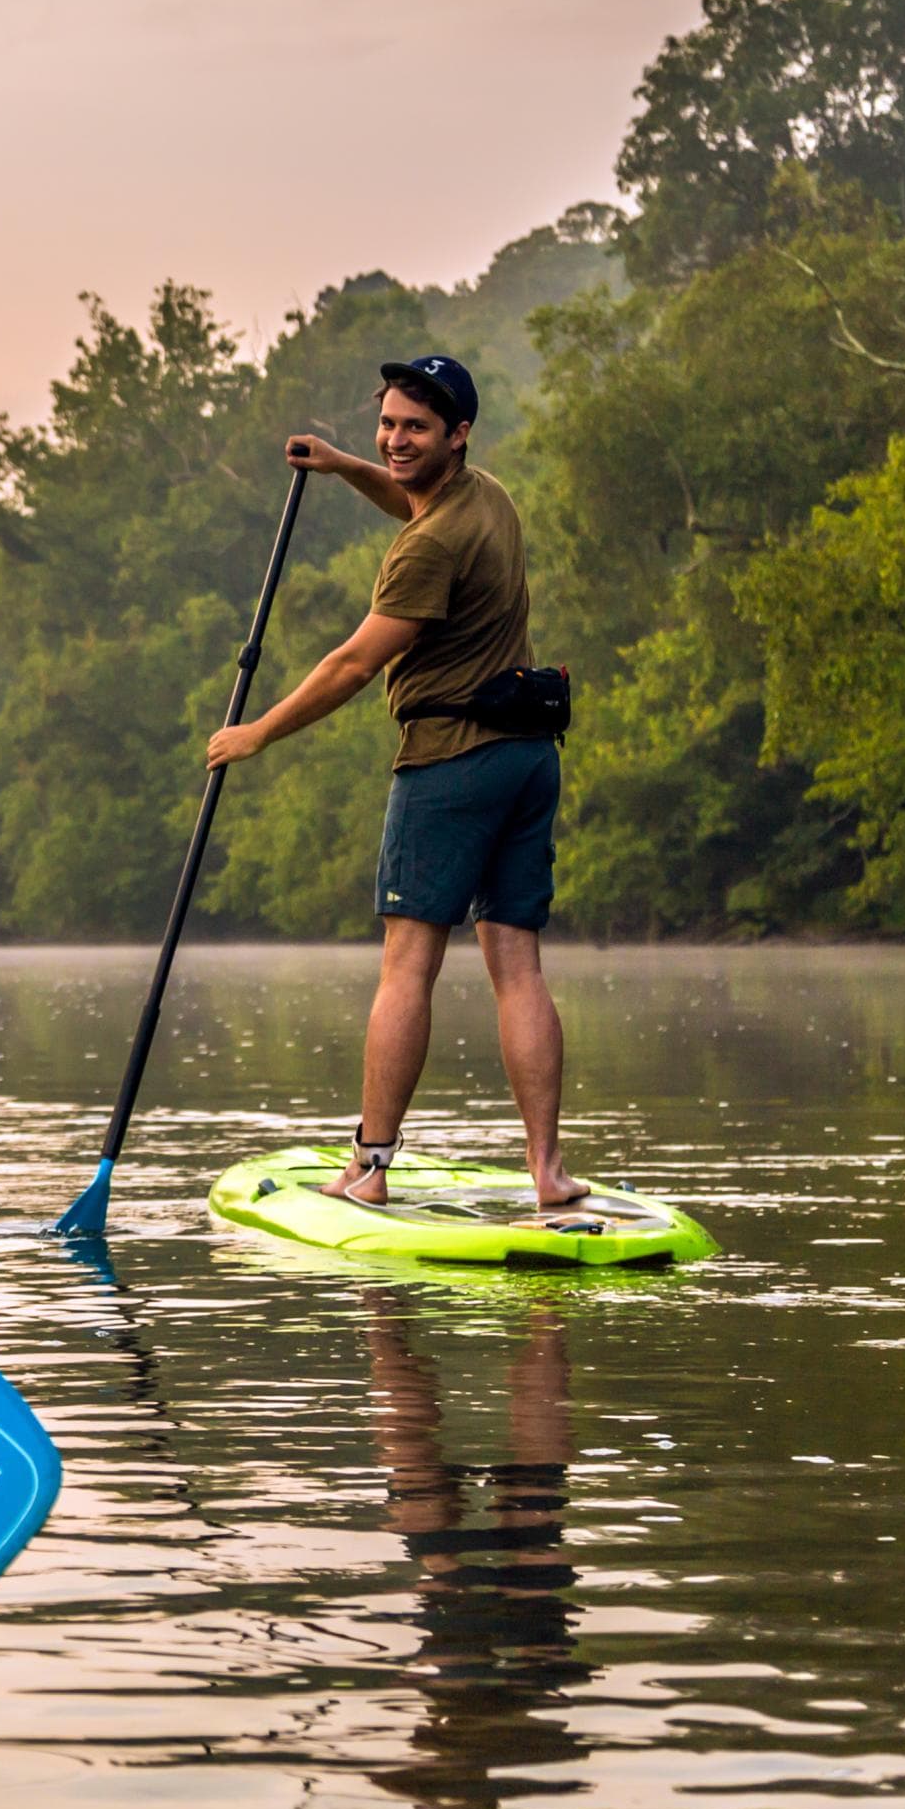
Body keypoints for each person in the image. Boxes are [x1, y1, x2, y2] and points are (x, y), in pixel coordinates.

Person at [201, 354, 581, 1209]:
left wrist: (257, 733)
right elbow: (413, 495)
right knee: (517, 965)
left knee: (407, 966)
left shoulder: (430, 546)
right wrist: (343, 467)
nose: (396, 440)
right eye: (389, 425)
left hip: (450, 760)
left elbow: (350, 664)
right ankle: (548, 1173)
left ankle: (369, 1168)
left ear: (459, 432)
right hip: (527, 759)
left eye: (415, 427)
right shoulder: (485, 498)